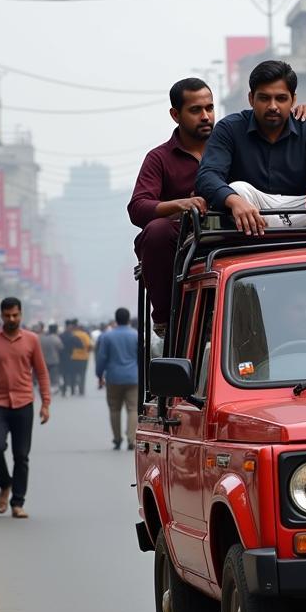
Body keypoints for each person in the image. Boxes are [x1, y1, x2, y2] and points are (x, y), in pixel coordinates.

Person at [196, 60, 306, 238]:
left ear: (293, 100)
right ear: (251, 99)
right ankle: (274, 231)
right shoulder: (230, 128)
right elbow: (207, 176)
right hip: (251, 211)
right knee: (238, 189)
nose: (272, 106)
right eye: (264, 98)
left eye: (281, 98)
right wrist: (234, 201)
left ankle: (273, 232)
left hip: (302, 211)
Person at [129, 78, 217, 334]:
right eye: (195, 110)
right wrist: (181, 204)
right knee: (156, 231)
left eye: (209, 108)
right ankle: (167, 320)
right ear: (175, 115)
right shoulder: (159, 158)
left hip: (229, 236)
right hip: (182, 245)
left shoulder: (229, 147)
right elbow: (137, 208)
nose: (205, 116)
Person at [0, 297, 51, 520]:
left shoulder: (32, 340)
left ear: (21, 314)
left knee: (21, 455)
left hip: (24, 403)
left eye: (15, 315)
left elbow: (42, 372)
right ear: (1, 316)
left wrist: (45, 403)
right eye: (7, 315)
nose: (11, 319)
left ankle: (17, 502)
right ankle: (4, 484)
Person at [95, 307, 139, 451]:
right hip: (133, 377)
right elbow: (141, 358)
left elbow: (101, 358)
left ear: (116, 319)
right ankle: (132, 439)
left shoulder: (107, 336)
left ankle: (117, 439)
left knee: (114, 409)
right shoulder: (136, 335)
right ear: (127, 319)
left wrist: (99, 375)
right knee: (133, 408)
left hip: (113, 378)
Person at [69, 321, 93, 395]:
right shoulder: (85, 335)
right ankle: (81, 390)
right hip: (83, 358)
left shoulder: (72, 334)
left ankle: (72, 390)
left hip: (73, 357)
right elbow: (90, 345)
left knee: (73, 374)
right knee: (82, 375)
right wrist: (87, 352)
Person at [39, 323, 63, 396]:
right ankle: (52, 390)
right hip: (53, 361)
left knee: (45, 377)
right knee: (53, 377)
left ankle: (44, 389)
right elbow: (61, 348)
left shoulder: (41, 338)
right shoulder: (55, 338)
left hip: (43, 361)